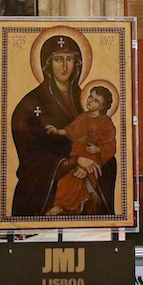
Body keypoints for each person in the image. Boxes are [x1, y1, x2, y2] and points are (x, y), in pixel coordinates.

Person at [9, 34, 117, 216]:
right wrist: (72, 162)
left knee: (109, 163)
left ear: (78, 63)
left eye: (70, 59)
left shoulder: (84, 100)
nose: (65, 67)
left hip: (86, 163)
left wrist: (93, 156)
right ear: (48, 64)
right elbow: (30, 157)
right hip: (47, 176)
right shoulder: (29, 104)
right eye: (58, 60)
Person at [43, 86, 116, 215]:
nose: (90, 101)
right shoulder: (83, 118)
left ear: (101, 106)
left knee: (76, 181)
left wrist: (98, 149)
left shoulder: (106, 123)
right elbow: (71, 131)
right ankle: (63, 206)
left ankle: (64, 206)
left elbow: (111, 146)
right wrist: (57, 131)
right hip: (78, 156)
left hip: (95, 160)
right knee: (64, 181)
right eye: (90, 97)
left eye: (95, 101)